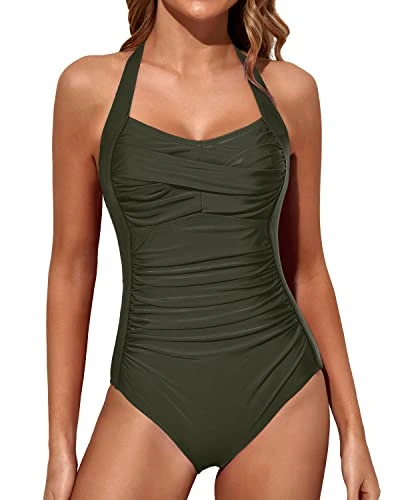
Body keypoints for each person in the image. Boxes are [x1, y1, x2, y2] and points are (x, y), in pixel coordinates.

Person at [43, 1, 380, 499]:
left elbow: (307, 269)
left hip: (280, 394)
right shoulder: (89, 89)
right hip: (149, 390)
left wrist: (354, 431)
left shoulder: (290, 93)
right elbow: (72, 269)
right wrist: (60, 448)